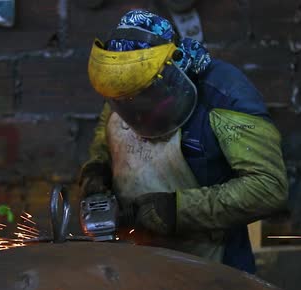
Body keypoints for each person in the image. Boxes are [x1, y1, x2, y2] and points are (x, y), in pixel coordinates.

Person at [78, 9, 288, 274]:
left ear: (171, 73)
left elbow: (269, 187)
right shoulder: (125, 86)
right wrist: (96, 171)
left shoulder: (225, 97)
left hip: (211, 267)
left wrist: (176, 210)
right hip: (133, 262)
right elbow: (105, 137)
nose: (135, 113)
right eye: (122, 101)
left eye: (143, 97)